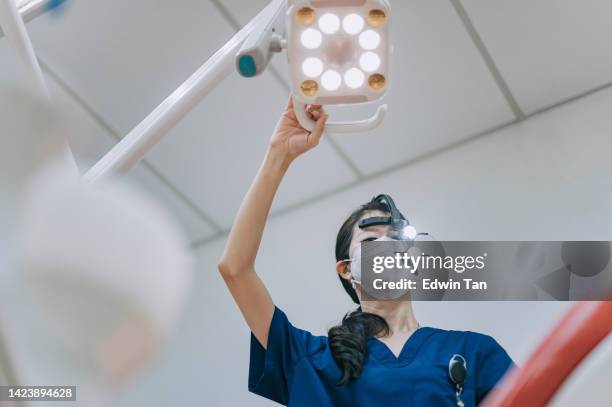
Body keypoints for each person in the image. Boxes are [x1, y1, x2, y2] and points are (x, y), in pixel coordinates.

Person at [218, 97, 514, 406]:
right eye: (371, 242)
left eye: (396, 240)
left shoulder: (472, 352)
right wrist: (279, 155)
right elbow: (234, 269)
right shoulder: (312, 359)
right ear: (346, 268)